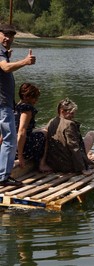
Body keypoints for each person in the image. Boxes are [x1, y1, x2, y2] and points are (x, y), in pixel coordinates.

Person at [0, 24, 36, 187]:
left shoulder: (3, 52)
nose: (8, 38)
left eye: (11, 35)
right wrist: (25, 62)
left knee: (5, 139)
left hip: (4, 102)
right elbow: (5, 68)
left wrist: (7, 56)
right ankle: (3, 178)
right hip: (2, 104)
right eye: (5, 35)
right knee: (10, 140)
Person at [46, 98, 94, 175]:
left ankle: (88, 157)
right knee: (91, 134)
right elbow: (74, 147)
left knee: (91, 134)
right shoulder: (69, 124)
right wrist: (83, 168)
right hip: (67, 165)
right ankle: (88, 158)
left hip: (54, 164)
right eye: (71, 113)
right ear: (62, 111)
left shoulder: (52, 121)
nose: (73, 116)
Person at [15, 83, 52, 172]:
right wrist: (20, 155)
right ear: (27, 97)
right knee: (46, 134)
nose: (36, 100)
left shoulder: (15, 107)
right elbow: (22, 131)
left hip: (12, 145)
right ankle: (42, 164)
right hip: (21, 148)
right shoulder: (27, 109)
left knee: (42, 130)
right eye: (34, 98)